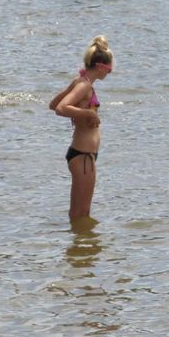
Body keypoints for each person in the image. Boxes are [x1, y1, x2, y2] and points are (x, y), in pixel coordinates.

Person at [49, 35, 113, 220]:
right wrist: (88, 114)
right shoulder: (83, 85)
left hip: (84, 155)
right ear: (101, 66)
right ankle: (80, 245)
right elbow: (60, 109)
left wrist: (81, 110)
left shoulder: (81, 82)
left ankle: (80, 245)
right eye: (109, 68)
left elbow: (53, 104)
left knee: (81, 213)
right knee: (81, 213)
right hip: (83, 156)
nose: (110, 72)